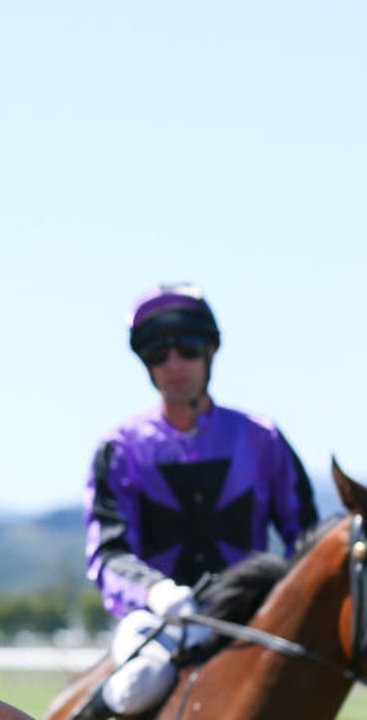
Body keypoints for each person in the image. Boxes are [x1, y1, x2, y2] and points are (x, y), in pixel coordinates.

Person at [73, 283, 319, 719]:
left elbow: (307, 541)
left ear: (209, 350)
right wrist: (156, 591)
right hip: (162, 621)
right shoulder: (121, 448)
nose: (173, 364)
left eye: (186, 348)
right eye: (157, 354)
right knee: (135, 685)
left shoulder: (263, 439)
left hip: (253, 620)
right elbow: (108, 553)